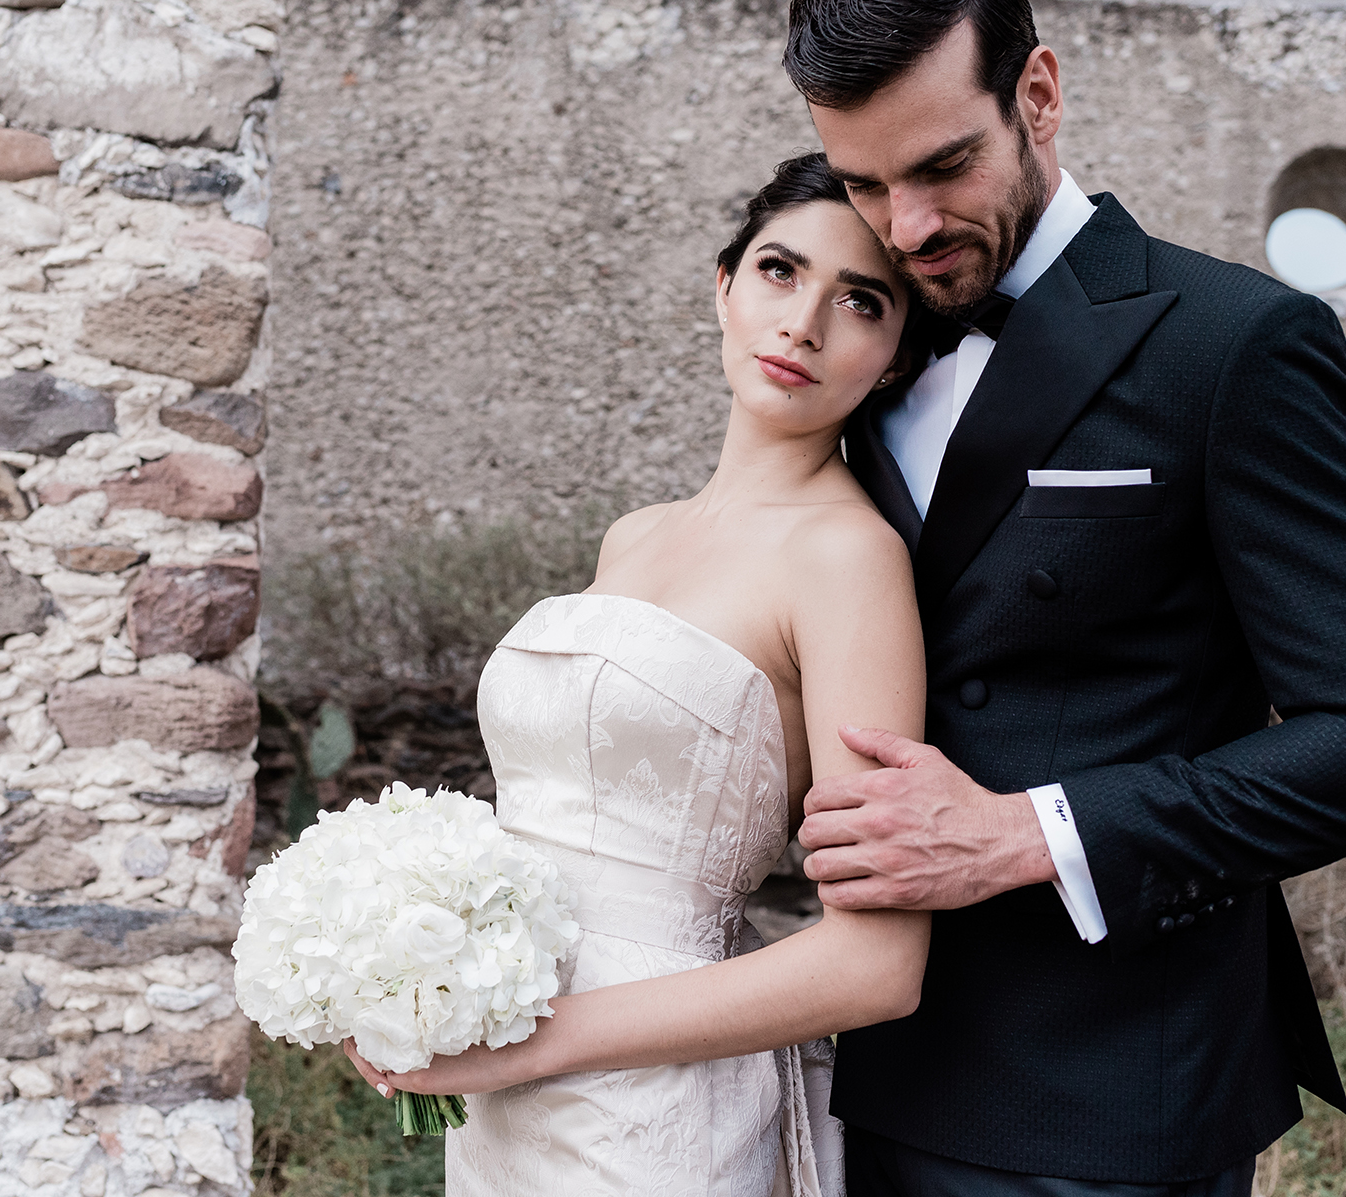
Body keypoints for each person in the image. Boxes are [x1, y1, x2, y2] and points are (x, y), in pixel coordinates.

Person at [783, 0, 1346, 1196]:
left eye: (943, 166)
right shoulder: (860, 343)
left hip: (1103, 1105)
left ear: (1036, 93)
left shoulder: (1236, 346)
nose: (908, 223)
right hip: (851, 1068)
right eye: (864, 183)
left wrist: (1026, 834)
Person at [347, 154, 932, 1195]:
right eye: (779, 270)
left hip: (649, 1106)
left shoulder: (848, 559)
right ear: (721, 285)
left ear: (892, 356)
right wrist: (402, 972)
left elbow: (872, 964)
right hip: (502, 1082)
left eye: (860, 300)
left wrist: (536, 1042)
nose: (802, 323)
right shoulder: (634, 536)